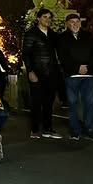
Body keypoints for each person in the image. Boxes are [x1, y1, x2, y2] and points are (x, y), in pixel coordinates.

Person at [57, 13, 93, 141]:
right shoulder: (62, 38)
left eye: (77, 21)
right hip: (71, 75)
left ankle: (90, 129)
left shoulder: (88, 36)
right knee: (72, 103)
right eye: (72, 22)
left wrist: (87, 66)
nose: (75, 24)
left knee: (89, 103)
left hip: (89, 74)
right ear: (67, 24)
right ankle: (75, 130)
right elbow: (63, 57)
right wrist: (77, 67)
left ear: (80, 23)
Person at [22, 8, 61, 139]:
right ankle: (34, 129)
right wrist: (30, 71)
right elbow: (26, 54)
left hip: (51, 72)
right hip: (37, 72)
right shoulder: (31, 34)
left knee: (49, 102)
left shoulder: (53, 34)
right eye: (45, 17)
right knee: (36, 102)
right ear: (38, 18)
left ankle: (47, 128)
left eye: (49, 17)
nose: (47, 20)